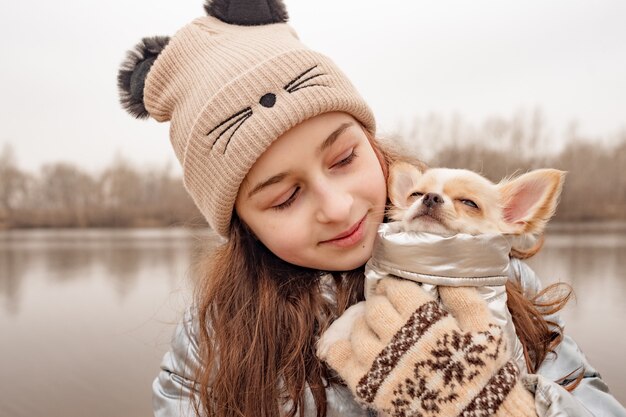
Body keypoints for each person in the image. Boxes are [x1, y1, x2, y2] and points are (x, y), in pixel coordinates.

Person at [116, 1, 626, 416]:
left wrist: (501, 404)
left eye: (344, 158)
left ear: (372, 144)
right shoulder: (214, 337)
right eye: (284, 198)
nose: (337, 208)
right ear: (242, 225)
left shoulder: (500, 279)